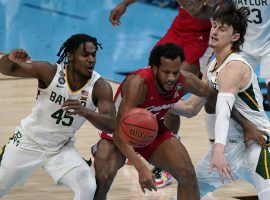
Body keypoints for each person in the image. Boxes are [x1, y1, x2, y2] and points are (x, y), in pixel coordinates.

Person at [92, 42, 220, 200]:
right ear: (154, 68)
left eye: (175, 71)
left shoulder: (186, 80)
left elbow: (215, 97)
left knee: (187, 175)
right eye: (166, 72)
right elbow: (119, 132)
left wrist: (246, 124)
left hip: (151, 129)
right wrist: (141, 168)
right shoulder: (137, 84)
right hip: (119, 131)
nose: (172, 77)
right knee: (103, 178)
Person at [171, 4, 270, 199]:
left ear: (235, 37)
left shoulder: (234, 67)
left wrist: (217, 149)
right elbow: (191, 108)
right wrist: (159, 102)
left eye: (222, 28)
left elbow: (223, 112)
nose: (214, 31)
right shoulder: (212, 65)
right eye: (214, 25)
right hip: (230, 149)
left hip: (257, 146)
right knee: (188, 189)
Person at [109, 0, 213, 188]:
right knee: (153, 81)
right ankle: (141, 137)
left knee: (172, 88)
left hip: (202, 35)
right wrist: (125, 4)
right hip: (180, 26)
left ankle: (167, 161)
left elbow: (200, 12)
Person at [0, 33, 116, 199]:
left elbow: (111, 125)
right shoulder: (49, 71)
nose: (91, 59)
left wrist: (86, 112)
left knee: (87, 188)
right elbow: (5, 69)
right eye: (85, 55)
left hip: (61, 149)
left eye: (93, 54)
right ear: (70, 55)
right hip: (27, 142)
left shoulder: (100, 87)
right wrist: (10, 58)